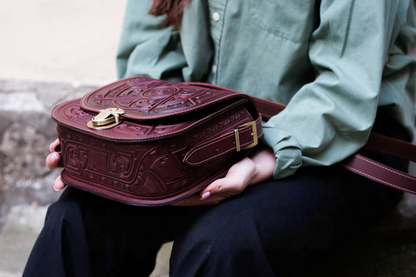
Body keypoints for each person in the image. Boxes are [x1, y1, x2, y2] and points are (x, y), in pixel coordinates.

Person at [24, 0, 416, 276]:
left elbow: (344, 88)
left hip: (338, 141)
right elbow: (151, 52)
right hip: (195, 135)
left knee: (223, 243)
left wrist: (260, 157)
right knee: (77, 218)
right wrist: (130, 142)